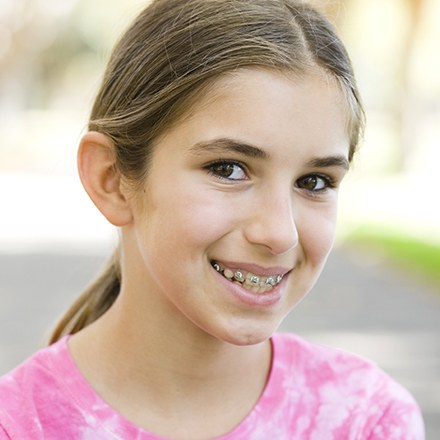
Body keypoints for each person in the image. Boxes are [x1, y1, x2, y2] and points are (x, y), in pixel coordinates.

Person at [0, 0, 424, 438]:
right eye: (228, 169)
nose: (279, 233)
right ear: (111, 180)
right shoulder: (17, 425)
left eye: (314, 181)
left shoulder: (367, 421)